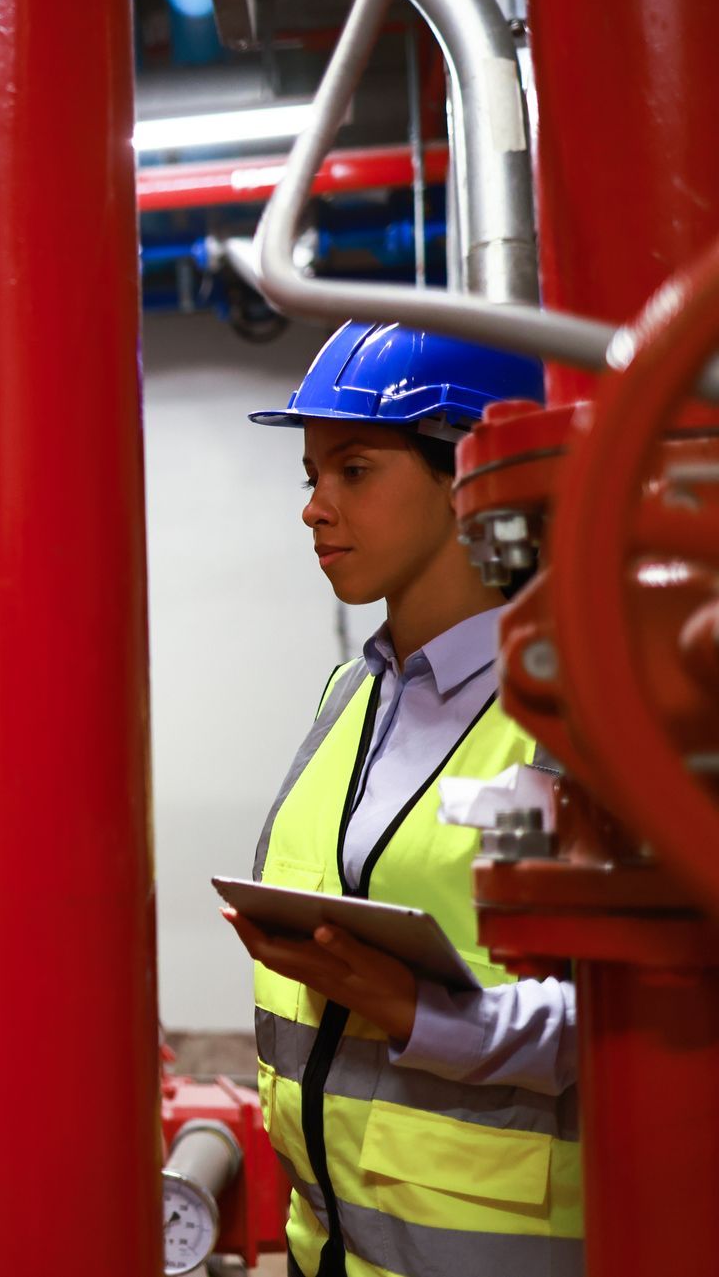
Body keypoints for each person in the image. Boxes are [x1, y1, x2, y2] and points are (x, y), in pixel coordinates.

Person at [223, 322, 583, 1277]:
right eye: (311, 474)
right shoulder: (350, 696)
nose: (313, 508)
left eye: (353, 470)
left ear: (473, 476)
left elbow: (652, 1014)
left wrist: (426, 1016)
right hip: (324, 1248)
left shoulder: (579, 714)